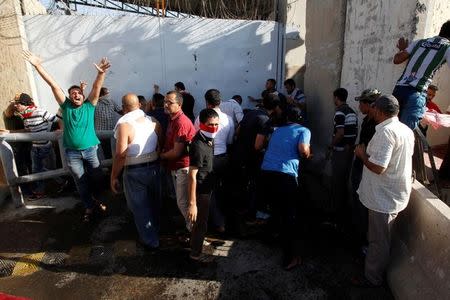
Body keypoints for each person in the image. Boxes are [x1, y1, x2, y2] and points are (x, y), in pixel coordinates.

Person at [23, 50, 111, 222]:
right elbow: (54, 86)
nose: (76, 94)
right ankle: (88, 207)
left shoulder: (89, 106)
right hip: (72, 153)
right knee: (80, 181)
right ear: (69, 98)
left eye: (78, 92)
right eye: (72, 93)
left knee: (97, 177)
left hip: (91, 150)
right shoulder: (66, 108)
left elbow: (96, 88)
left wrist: (101, 74)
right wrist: (38, 66)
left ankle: (99, 200)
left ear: (83, 96)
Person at [354, 95, 414, 287]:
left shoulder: (386, 132)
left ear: (379, 111)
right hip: (392, 194)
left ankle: (372, 278)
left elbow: (379, 167)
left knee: (379, 242)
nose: (371, 111)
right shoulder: (405, 129)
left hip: (383, 198)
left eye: (373, 108)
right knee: (380, 238)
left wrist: (362, 155)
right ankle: (374, 265)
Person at [260, 105, 311, 270]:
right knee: (290, 215)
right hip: (285, 175)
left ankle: (270, 237)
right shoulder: (304, 130)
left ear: (287, 118)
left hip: (267, 172)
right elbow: (303, 150)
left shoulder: (278, 130)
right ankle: (291, 257)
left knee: (276, 207)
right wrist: (308, 155)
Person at [111, 93, 162, 250]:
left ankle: (150, 240)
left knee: (140, 208)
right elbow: (161, 143)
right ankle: (157, 233)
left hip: (134, 170)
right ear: (139, 105)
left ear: (123, 107)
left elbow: (121, 155)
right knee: (155, 204)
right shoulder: (153, 121)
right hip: (154, 167)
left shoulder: (125, 125)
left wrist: (113, 176)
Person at [392, 20, 450, 129]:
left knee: (392, 128)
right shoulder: (447, 48)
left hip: (399, 89)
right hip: (416, 93)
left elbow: (397, 59)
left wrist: (403, 50)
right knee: (406, 134)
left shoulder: (418, 42)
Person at [1, 93, 60, 199]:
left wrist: (59, 131)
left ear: (24, 103)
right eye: (15, 104)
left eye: (18, 104)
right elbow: (28, 130)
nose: (16, 106)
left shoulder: (38, 111)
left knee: (44, 169)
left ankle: (60, 181)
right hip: (34, 147)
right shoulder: (23, 116)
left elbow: (56, 120)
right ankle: (41, 190)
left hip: (45, 146)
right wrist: (9, 131)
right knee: (36, 170)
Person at [194, 89, 234, 232]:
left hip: (208, 159)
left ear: (206, 102)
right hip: (223, 157)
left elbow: (196, 136)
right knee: (222, 189)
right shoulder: (228, 118)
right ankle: (225, 220)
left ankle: (217, 222)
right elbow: (230, 139)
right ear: (220, 101)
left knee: (209, 191)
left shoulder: (202, 117)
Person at [160, 91, 196, 232]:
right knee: (182, 201)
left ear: (179, 104)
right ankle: (191, 229)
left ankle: (194, 232)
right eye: (165, 101)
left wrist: (160, 156)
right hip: (176, 167)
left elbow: (176, 152)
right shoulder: (172, 119)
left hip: (183, 167)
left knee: (183, 202)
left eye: (169, 102)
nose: (166, 105)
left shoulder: (181, 122)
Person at [187, 108, 219, 260]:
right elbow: (192, 176)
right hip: (201, 192)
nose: (214, 128)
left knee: (202, 222)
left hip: (207, 188)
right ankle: (196, 254)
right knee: (201, 223)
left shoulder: (208, 139)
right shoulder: (199, 145)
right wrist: (192, 203)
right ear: (201, 124)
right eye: (210, 125)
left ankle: (195, 246)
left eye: (216, 125)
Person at [351, 88, 381, 247]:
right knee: (357, 198)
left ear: (369, 104)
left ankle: (362, 240)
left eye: (361, 103)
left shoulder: (378, 124)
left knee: (363, 202)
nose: (359, 106)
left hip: (366, 167)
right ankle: (357, 233)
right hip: (359, 163)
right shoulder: (367, 120)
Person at [330, 87, 358, 227]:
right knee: (343, 182)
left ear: (336, 98)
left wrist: (330, 146)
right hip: (349, 152)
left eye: (333, 97)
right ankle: (343, 215)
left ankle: (336, 217)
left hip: (340, 152)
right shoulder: (352, 112)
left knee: (337, 184)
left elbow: (340, 132)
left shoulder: (340, 112)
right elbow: (353, 133)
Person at [94, 87, 122, 159]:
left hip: (110, 132)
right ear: (102, 94)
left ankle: (111, 166)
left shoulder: (112, 102)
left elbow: (120, 111)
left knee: (111, 150)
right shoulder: (94, 103)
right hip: (100, 133)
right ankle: (109, 166)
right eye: (107, 93)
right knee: (105, 151)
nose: (108, 94)